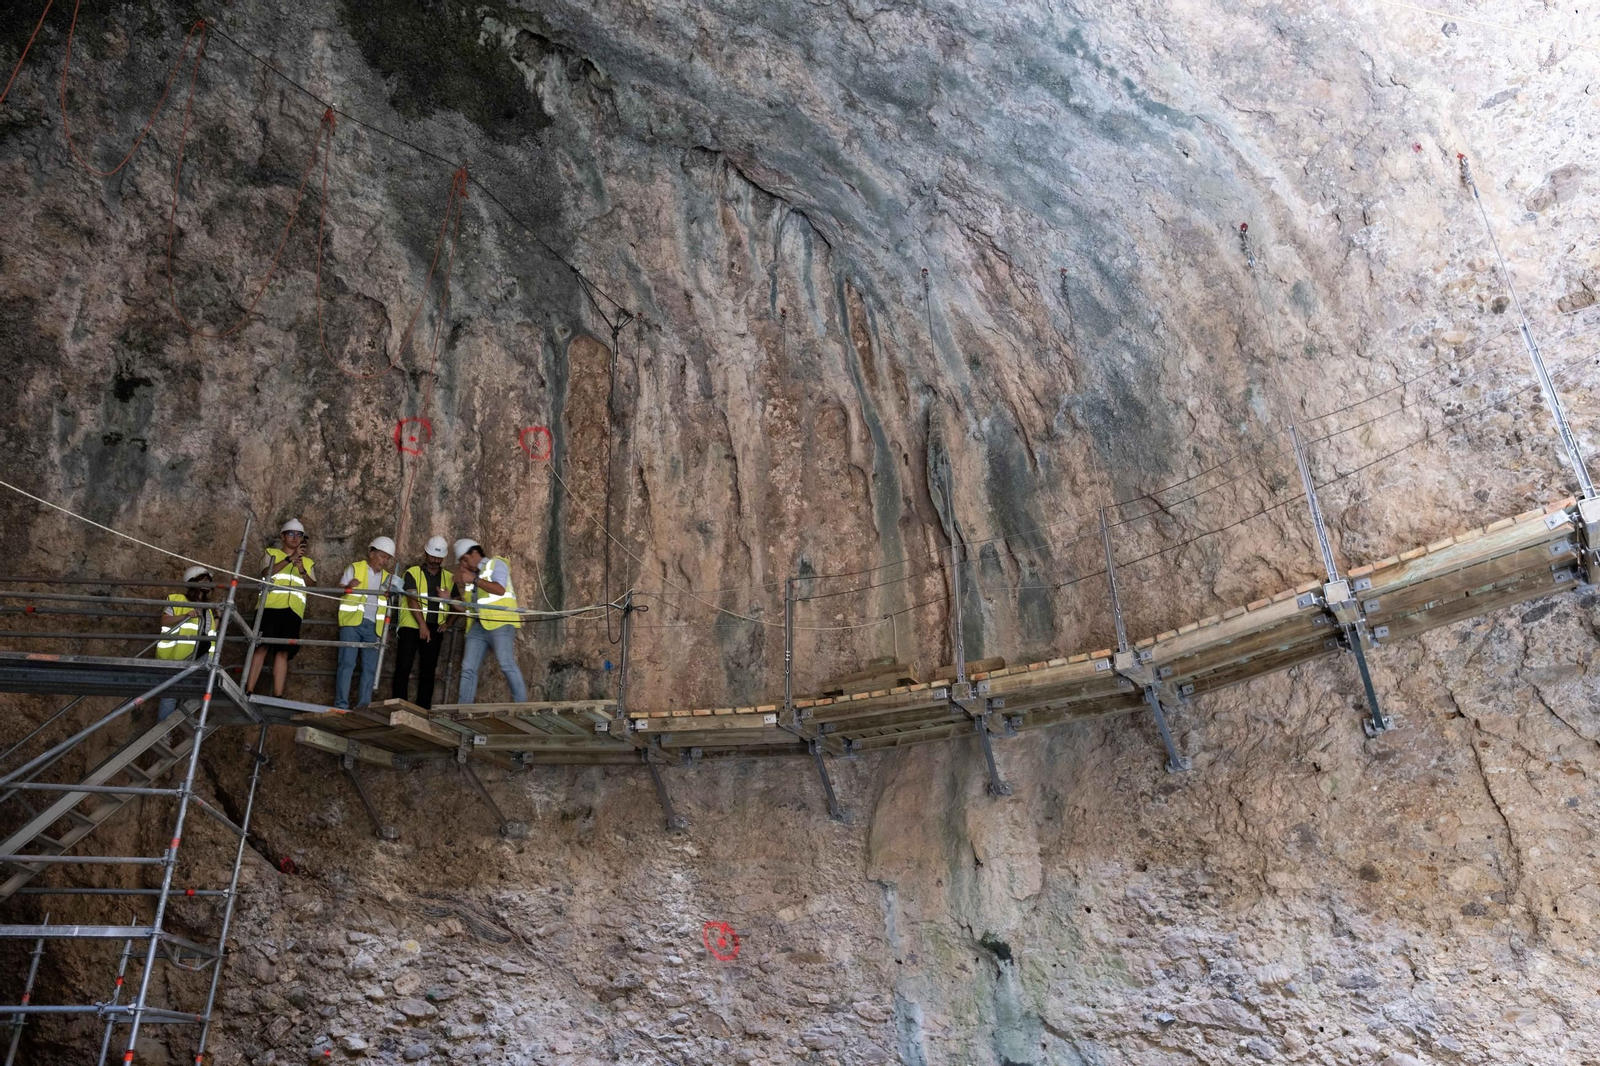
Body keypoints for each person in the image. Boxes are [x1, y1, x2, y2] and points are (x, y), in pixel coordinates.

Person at [453, 538, 527, 704]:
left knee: (506, 663)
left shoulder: (496, 564)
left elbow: (500, 589)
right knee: (468, 668)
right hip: (478, 626)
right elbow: (469, 609)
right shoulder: (473, 578)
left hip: (500, 623)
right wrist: (447, 600)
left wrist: (473, 579)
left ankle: (521, 705)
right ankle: (463, 708)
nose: (464, 564)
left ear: (475, 553)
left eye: (465, 559)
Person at [247, 519, 314, 698]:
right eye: (291, 534)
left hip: (293, 611)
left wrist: (302, 570)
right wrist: (289, 559)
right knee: (261, 647)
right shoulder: (271, 553)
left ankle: (278, 695)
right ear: (282, 536)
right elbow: (266, 573)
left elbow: (312, 586)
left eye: (299, 535)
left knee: (283, 652)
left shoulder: (307, 562)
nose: (295, 538)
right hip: (269, 608)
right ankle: (248, 689)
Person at [334, 536, 398, 710]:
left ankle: (363, 707)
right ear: (371, 553)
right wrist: (348, 585)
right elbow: (340, 589)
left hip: (375, 627)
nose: (384, 561)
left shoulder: (389, 578)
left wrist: (385, 629)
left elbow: (390, 606)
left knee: (370, 668)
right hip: (352, 623)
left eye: (387, 558)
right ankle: (341, 705)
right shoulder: (355, 568)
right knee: (346, 664)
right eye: (382, 556)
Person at [393, 535, 454, 709]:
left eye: (438, 558)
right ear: (425, 554)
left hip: (435, 629)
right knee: (403, 667)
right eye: (432, 556)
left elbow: (459, 604)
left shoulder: (449, 577)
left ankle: (423, 709)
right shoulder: (412, 573)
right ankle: (399, 706)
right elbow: (412, 600)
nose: (435, 561)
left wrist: (449, 622)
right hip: (411, 626)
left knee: (428, 671)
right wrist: (422, 625)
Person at [155, 565, 218, 721]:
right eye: (203, 579)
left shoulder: (208, 609)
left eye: (208, 580)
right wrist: (185, 616)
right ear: (192, 582)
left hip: (201, 658)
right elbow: (165, 621)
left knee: (192, 694)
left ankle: (182, 725)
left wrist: (219, 617)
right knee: (169, 696)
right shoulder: (177, 599)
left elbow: (209, 632)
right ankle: (165, 732)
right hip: (176, 657)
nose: (207, 583)